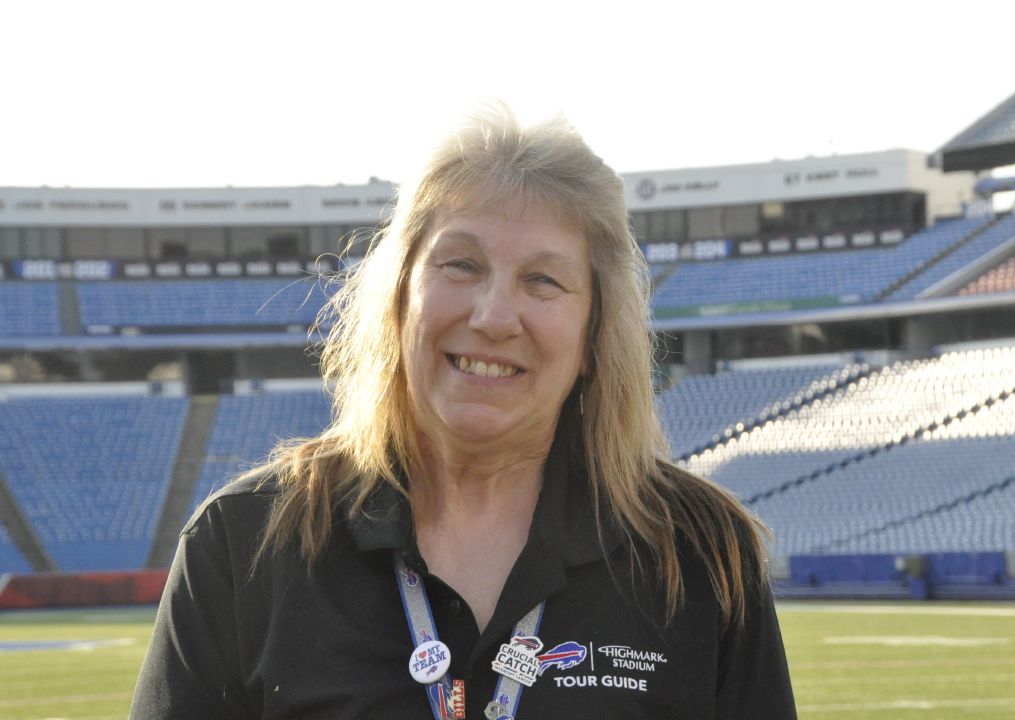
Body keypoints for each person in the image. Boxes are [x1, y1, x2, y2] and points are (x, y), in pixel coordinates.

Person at [131, 103, 797, 720]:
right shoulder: (242, 543)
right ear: (398, 299)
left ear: (596, 332)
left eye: (543, 280)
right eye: (460, 264)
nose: (493, 317)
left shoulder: (701, 554)